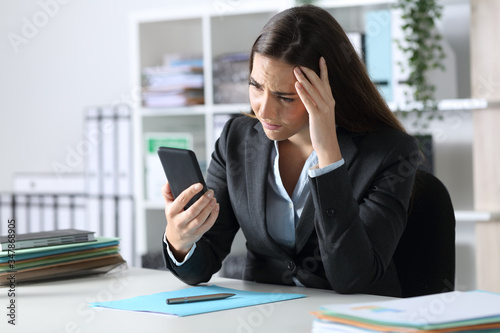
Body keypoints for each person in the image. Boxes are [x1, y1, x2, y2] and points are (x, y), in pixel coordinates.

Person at [161, 5, 420, 297]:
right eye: (256, 86)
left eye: (285, 97)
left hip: (351, 320)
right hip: (265, 318)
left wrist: (328, 157)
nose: (264, 110)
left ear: (329, 91)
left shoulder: (390, 153)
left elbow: (353, 278)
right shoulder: (236, 139)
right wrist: (180, 239)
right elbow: (204, 263)